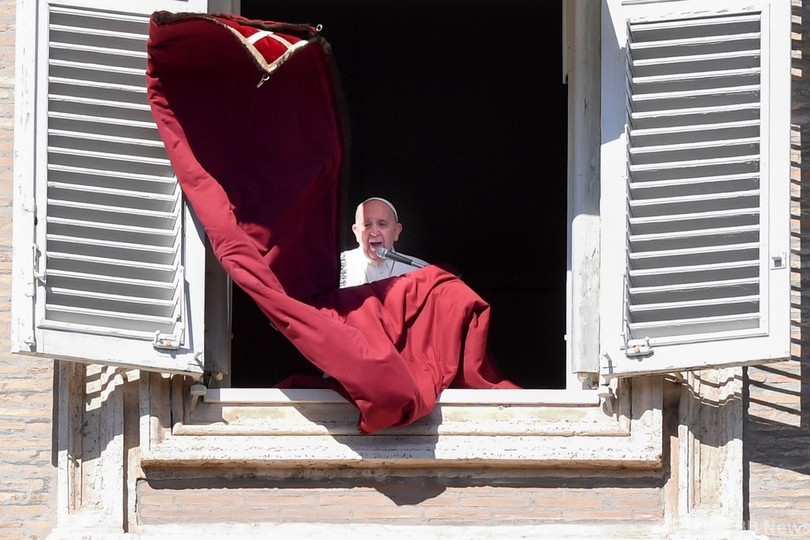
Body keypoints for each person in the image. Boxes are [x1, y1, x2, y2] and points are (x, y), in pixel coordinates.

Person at [340, 197, 428, 288]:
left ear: (396, 231)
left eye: (382, 224)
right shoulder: (338, 265)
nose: (374, 232)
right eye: (367, 225)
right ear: (356, 232)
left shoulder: (419, 269)